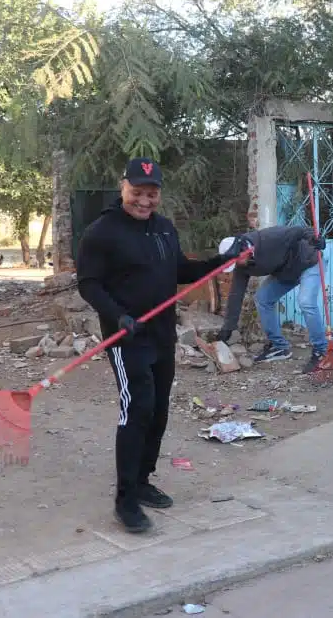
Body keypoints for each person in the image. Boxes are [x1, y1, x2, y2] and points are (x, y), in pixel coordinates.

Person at [77, 158, 248, 533]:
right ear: (123, 187)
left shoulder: (165, 230)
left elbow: (179, 271)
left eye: (151, 194)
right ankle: (125, 500)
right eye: (137, 192)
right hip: (126, 338)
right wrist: (118, 316)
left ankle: (142, 481)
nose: (144, 201)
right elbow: (88, 284)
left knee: (158, 410)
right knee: (135, 410)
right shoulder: (101, 232)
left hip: (160, 334)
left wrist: (221, 262)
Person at [216, 226, 327, 373]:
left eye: (236, 261)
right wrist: (227, 328)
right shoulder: (242, 267)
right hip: (286, 273)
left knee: (306, 302)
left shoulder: (269, 238)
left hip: (309, 263)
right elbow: (236, 294)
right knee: (263, 298)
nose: (236, 265)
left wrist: (315, 238)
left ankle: (321, 351)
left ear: (243, 249)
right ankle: (279, 347)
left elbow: (299, 230)